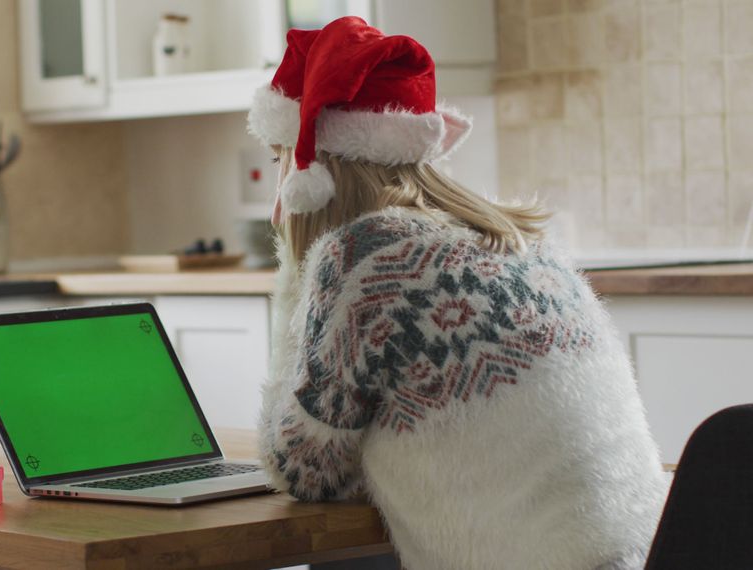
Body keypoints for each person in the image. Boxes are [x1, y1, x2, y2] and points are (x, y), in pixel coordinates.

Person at [249, 17, 669, 570]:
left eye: (281, 162)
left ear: (311, 175)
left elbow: (303, 470)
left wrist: (293, 279)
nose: (278, 204)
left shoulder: (362, 260)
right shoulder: (522, 240)